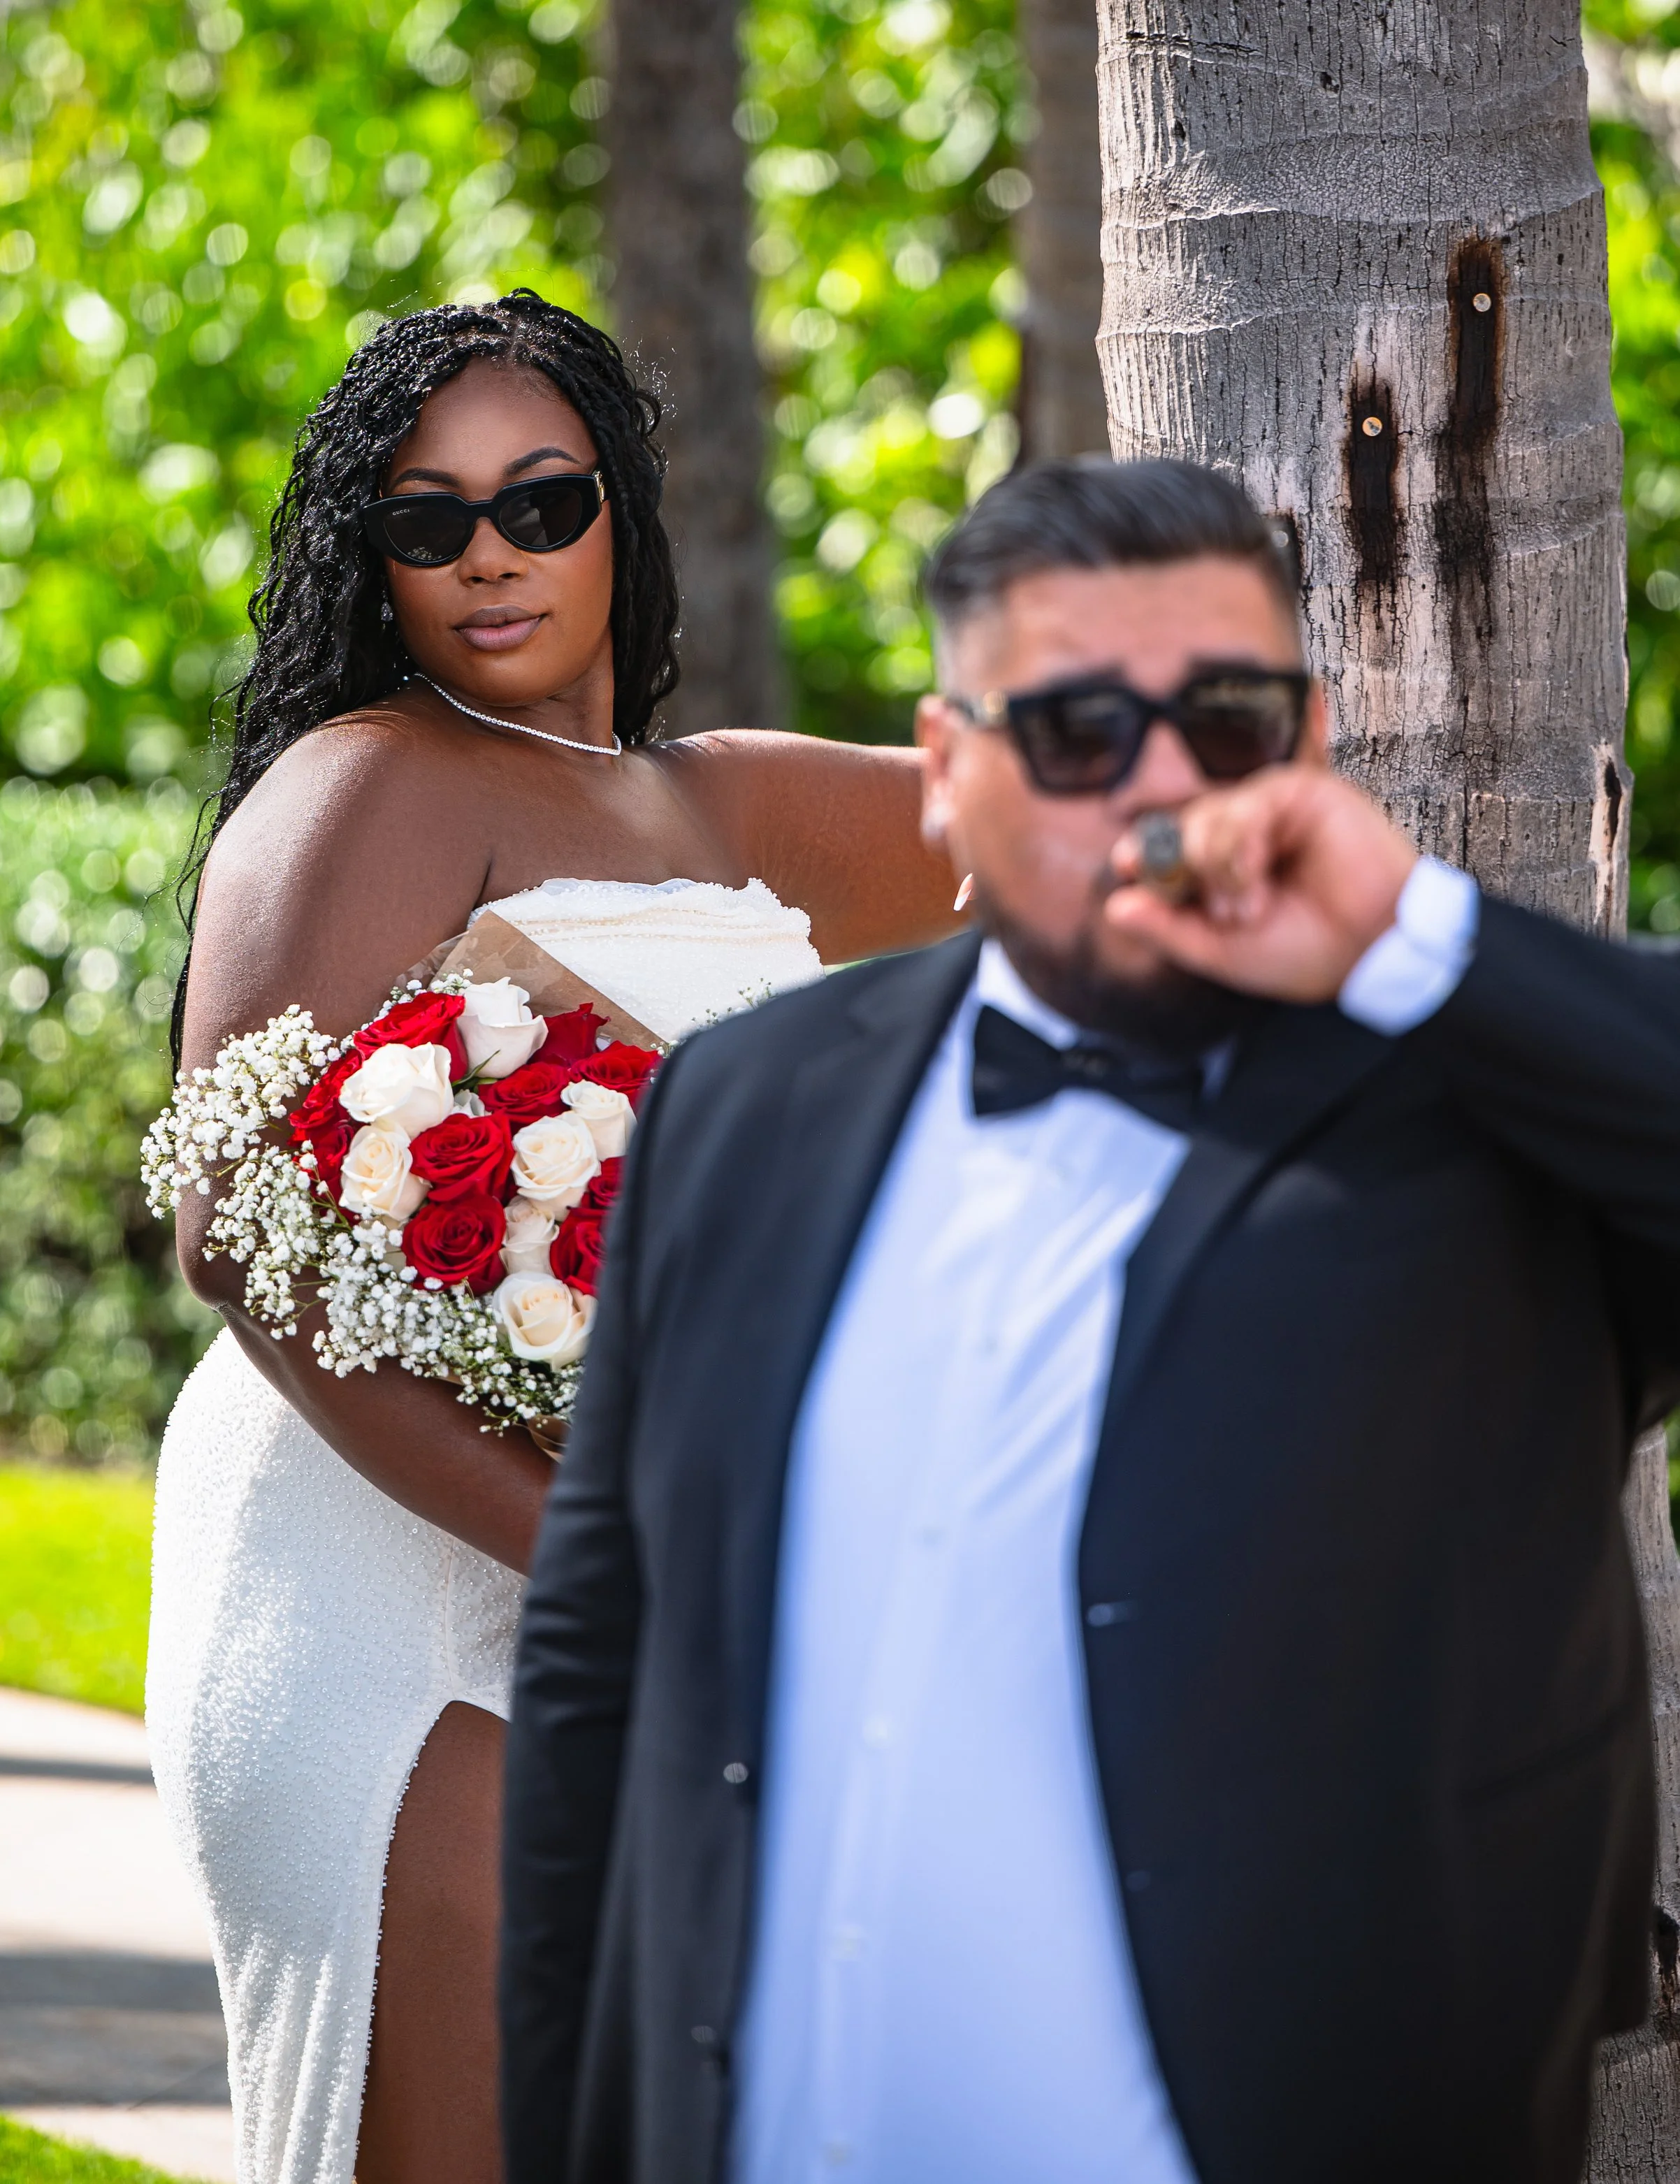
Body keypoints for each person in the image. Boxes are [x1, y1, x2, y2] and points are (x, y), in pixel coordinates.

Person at [500, 456, 1680, 2184]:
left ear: (1308, 735)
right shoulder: (748, 1102)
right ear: (949, 770)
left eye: (1222, 716)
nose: (1157, 787)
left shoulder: (1483, 1122)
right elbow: (598, 1680)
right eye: (1069, 733)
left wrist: (1407, 931)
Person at [144, 288, 958, 2184]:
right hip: (379, 1559)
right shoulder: (368, 780)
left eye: (537, 503)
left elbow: (1066, 838)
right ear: (377, 557)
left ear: (622, 511)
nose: (488, 557)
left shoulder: (717, 797)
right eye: (426, 524)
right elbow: (233, 1230)